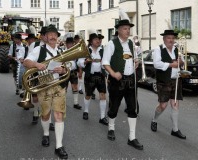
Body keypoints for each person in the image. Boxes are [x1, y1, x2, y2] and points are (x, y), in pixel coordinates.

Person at [23, 25, 68, 159]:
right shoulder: (38, 49)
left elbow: (68, 68)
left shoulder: (61, 51)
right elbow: (26, 62)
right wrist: (37, 65)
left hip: (59, 86)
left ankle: (59, 146)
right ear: (45, 37)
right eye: (50, 34)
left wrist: (63, 70)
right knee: (46, 114)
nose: (53, 36)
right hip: (44, 86)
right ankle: (46, 134)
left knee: (59, 114)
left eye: (55, 34)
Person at [102, 19, 143, 150]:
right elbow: (105, 62)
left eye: (129, 29)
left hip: (130, 80)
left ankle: (132, 137)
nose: (128, 31)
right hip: (116, 80)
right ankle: (111, 128)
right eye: (125, 28)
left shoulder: (131, 43)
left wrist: (135, 62)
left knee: (132, 108)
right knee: (114, 106)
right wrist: (113, 74)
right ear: (118, 30)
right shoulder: (111, 44)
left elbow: (131, 58)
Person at [150, 29, 186, 139]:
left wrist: (181, 62)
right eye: (168, 38)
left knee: (175, 105)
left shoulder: (177, 50)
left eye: (172, 38)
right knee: (163, 105)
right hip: (163, 81)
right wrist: (171, 64)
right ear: (164, 39)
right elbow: (156, 64)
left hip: (176, 80)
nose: (171, 40)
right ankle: (154, 120)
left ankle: (175, 129)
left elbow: (182, 64)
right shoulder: (158, 49)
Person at [78, 33, 108, 125]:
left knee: (103, 95)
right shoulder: (86, 50)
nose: (98, 41)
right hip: (90, 76)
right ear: (91, 42)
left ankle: (102, 117)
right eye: (95, 39)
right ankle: (86, 111)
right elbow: (79, 63)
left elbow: (107, 62)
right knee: (88, 95)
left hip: (100, 76)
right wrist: (85, 62)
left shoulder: (103, 50)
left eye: (98, 39)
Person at [65, 37, 82, 110]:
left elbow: (79, 62)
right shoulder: (63, 51)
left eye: (71, 43)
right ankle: (63, 103)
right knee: (64, 88)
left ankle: (76, 103)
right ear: (66, 44)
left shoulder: (76, 52)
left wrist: (80, 71)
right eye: (68, 43)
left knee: (75, 86)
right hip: (64, 71)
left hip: (74, 71)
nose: (70, 45)